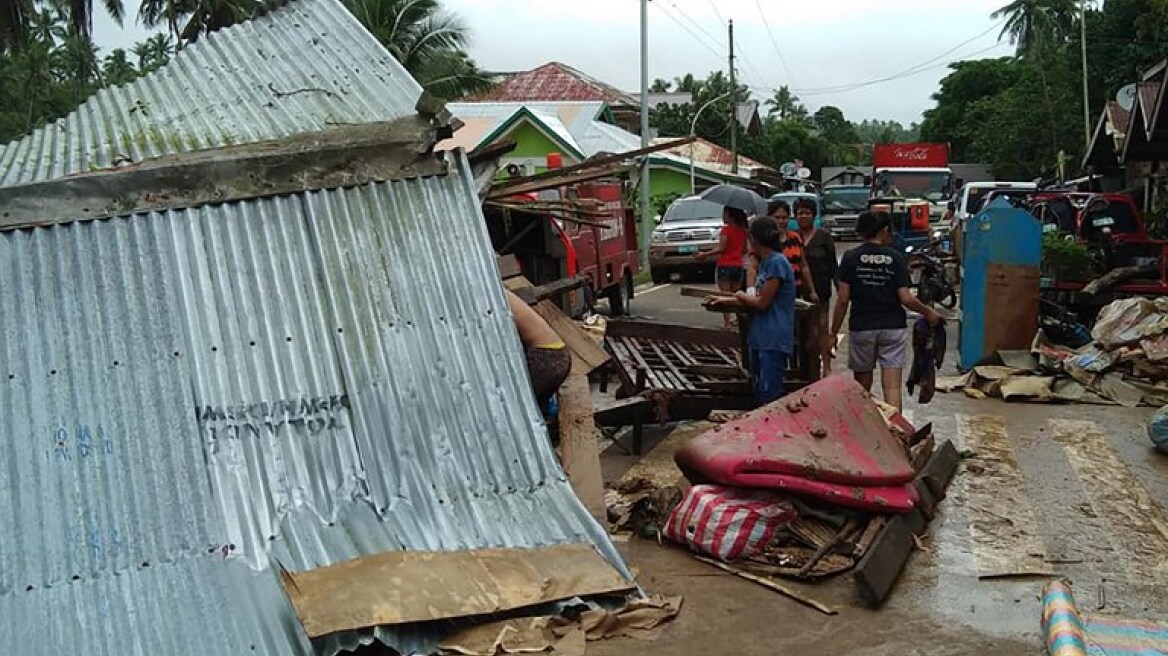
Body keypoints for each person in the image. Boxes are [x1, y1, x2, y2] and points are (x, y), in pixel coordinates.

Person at [829, 210, 942, 412]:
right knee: (892, 388)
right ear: (884, 230)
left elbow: (843, 300)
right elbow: (906, 298)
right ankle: (895, 428)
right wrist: (929, 313)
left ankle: (865, 426)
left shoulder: (850, 257)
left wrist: (833, 332)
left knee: (862, 389)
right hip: (892, 328)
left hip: (862, 327)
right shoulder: (896, 258)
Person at [706, 215, 796, 405]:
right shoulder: (765, 263)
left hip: (773, 338)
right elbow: (756, 297)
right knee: (758, 390)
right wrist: (725, 299)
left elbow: (762, 302)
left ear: (754, 239)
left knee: (769, 396)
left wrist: (739, 295)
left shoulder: (777, 263)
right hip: (760, 337)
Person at [505, 289, 571, 410]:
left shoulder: (494, 295)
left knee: (516, 403)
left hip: (545, 358)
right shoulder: (504, 294)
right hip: (560, 352)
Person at [794, 198, 838, 379]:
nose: (803, 216)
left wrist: (840, 287)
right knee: (803, 332)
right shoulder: (793, 237)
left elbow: (833, 265)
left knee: (821, 329)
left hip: (821, 290)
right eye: (800, 213)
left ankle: (826, 366)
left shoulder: (823, 237)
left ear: (814, 216)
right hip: (798, 291)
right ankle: (806, 368)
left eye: (807, 213)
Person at [747, 200, 817, 304]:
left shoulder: (795, 238)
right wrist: (750, 290)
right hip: (769, 291)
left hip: (793, 291)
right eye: (777, 217)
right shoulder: (763, 240)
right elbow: (752, 267)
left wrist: (811, 290)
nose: (781, 221)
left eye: (784, 218)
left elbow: (803, 266)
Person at [695, 206, 749, 329]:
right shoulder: (743, 231)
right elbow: (744, 249)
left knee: (724, 295)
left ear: (731, 216)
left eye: (725, 214)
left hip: (725, 265)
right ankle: (739, 320)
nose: (723, 216)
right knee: (736, 294)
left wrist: (704, 254)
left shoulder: (726, 230)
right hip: (738, 265)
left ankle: (727, 323)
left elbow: (722, 248)